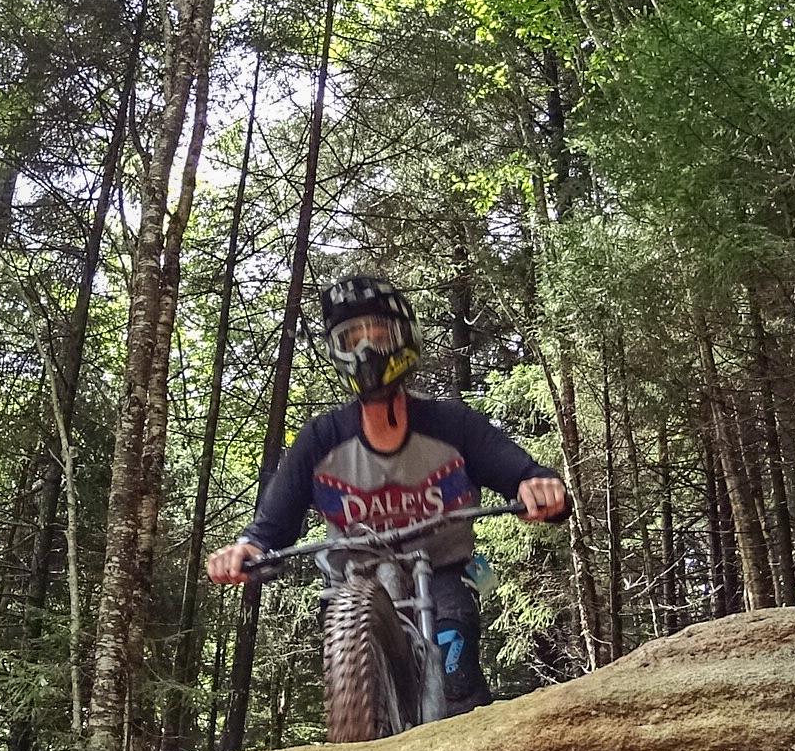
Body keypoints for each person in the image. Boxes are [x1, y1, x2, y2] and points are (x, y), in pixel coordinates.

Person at [207, 274, 567, 717]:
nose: (367, 350)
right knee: (356, 687)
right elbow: (270, 526)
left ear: (405, 338)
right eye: (351, 338)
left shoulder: (451, 426)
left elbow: (522, 473)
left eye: (380, 334)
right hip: (353, 580)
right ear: (336, 349)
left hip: (440, 570)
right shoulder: (322, 440)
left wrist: (538, 486)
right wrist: (247, 549)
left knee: (455, 663)